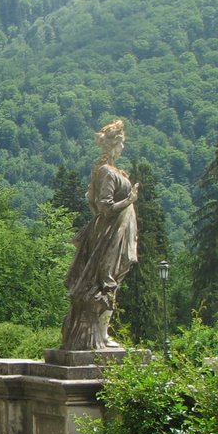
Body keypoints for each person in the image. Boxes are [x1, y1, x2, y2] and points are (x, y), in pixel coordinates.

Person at [60, 120, 139, 351]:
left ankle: (103, 333)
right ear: (113, 144)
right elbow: (104, 206)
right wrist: (129, 200)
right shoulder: (106, 171)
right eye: (121, 143)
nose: (123, 147)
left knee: (111, 280)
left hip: (117, 232)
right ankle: (100, 335)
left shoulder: (111, 170)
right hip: (109, 235)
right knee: (106, 281)